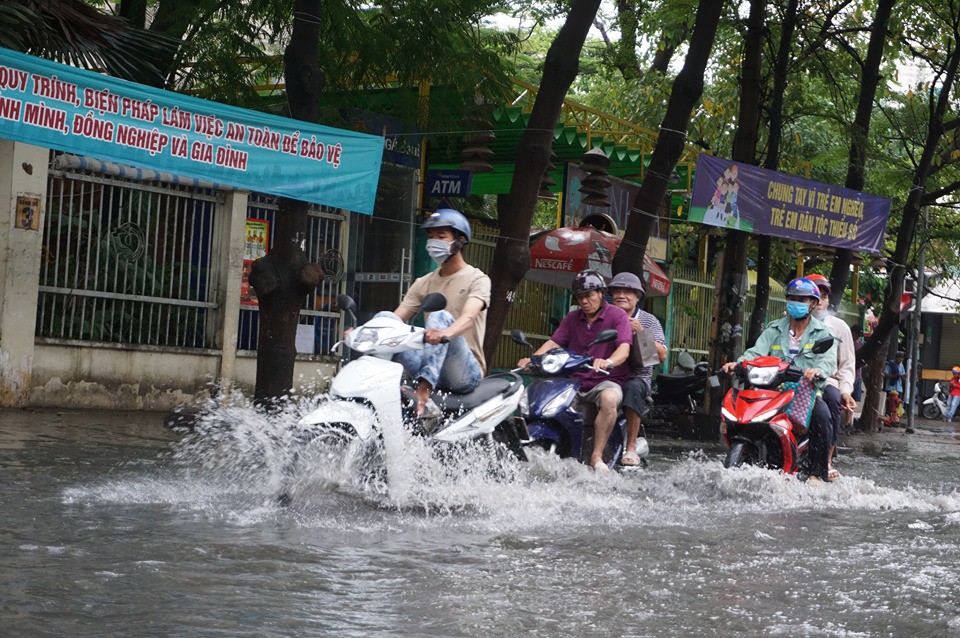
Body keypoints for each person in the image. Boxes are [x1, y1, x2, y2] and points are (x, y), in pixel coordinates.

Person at [721, 277, 837, 482]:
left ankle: (817, 473)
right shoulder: (774, 329)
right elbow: (756, 352)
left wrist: (816, 371)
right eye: (792, 298)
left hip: (804, 391)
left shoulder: (822, 332)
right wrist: (738, 364)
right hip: (772, 390)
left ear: (813, 303)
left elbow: (827, 362)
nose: (796, 303)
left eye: (802, 300)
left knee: (822, 414)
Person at [517, 269, 633, 470]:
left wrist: (608, 362)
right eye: (580, 297)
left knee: (609, 399)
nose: (584, 301)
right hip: (576, 381)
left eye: (588, 295)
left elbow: (624, 349)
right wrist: (534, 359)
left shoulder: (617, 316)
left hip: (605, 379)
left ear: (600, 293)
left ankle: (596, 456)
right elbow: (554, 342)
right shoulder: (572, 318)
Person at [383, 208, 490, 417]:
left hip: (463, 372)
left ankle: (424, 392)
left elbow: (468, 318)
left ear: (460, 240)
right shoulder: (423, 282)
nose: (434, 242)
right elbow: (395, 319)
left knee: (439, 317)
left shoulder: (478, 279)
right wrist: (363, 333)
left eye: (441, 236)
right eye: (431, 237)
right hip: (428, 363)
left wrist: (444, 333)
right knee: (384, 320)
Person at [608, 271, 666, 467]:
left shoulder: (649, 320)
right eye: (618, 291)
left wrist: (641, 333)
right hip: (606, 373)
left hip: (636, 376)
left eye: (628, 292)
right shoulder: (604, 315)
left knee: (633, 388)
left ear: (638, 297)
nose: (622, 295)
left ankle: (631, 448)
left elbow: (661, 356)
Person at [805, 274, 856, 480]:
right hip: (793, 378)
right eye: (815, 297)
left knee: (832, 399)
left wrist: (845, 391)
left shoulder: (838, 327)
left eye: (824, 297)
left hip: (826, 380)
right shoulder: (786, 324)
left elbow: (846, 364)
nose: (819, 302)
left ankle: (826, 458)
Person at [883, 351, 907, 426]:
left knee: (898, 405)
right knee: (890, 405)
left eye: (901, 360)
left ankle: (895, 419)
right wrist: (896, 376)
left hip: (898, 388)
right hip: (890, 387)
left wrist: (903, 376)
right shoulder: (890, 364)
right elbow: (885, 375)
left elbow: (902, 377)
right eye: (899, 359)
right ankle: (888, 420)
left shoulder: (901, 366)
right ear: (896, 358)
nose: (900, 361)